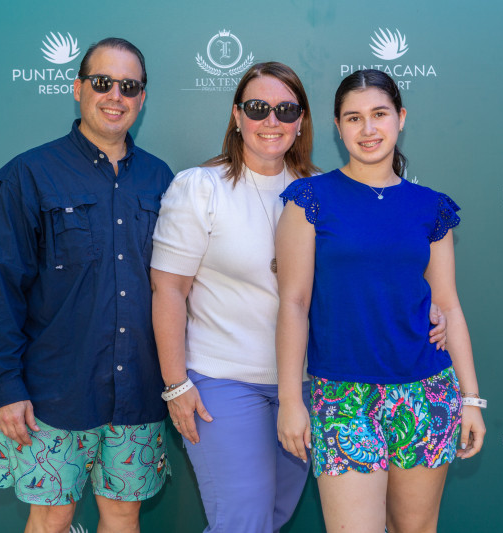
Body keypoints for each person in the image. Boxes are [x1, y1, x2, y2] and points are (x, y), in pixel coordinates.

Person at [149, 63, 447, 533]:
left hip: (311, 384)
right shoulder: (198, 187)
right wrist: (176, 384)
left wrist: (424, 306)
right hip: (224, 381)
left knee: (275, 516)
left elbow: (371, 269)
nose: (272, 121)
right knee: (242, 522)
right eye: (257, 108)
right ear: (236, 115)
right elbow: (168, 289)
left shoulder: (323, 190)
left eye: (286, 109)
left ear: (302, 120)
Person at [0, 38, 173, 533]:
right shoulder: (31, 174)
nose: (115, 95)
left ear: (142, 98)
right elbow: (3, 285)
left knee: (124, 516)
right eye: (103, 82)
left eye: (129, 86)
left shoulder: (160, 179)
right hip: (53, 391)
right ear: (78, 87)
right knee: (51, 517)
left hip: (139, 391)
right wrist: (6, 386)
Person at [275, 69, 486, 533]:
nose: (368, 129)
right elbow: (293, 303)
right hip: (343, 395)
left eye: (379, 115)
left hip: (426, 391)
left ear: (400, 118)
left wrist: (471, 397)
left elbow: (448, 304)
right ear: (336, 125)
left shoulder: (431, 207)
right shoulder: (309, 200)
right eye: (354, 118)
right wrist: (291, 399)